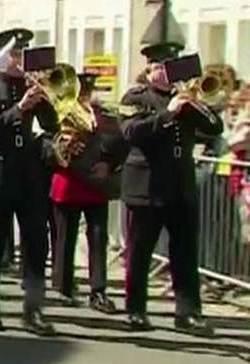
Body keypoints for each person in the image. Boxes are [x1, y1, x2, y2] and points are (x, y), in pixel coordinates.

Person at [119, 40, 221, 336]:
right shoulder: (135, 97)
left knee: (185, 253)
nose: (166, 73)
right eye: (161, 67)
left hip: (180, 185)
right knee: (140, 252)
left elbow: (215, 127)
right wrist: (168, 113)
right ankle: (136, 310)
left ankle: (188, 313)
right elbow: (131, 132)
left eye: (170, 67)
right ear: (149, 70)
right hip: (147, 186)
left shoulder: (185, 97)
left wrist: (195, 103)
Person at [0, 28, 58, 335]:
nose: (20, 61)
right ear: (2, 56)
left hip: (30, 174)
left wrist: (47, 101)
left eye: (24, 54)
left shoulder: (34, 86)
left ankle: (33, 310)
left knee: (36, 243)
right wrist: (20, 109)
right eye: (15, 54)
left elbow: (51, 125)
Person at [49, 72, 126, 312]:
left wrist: (108, 164)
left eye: (87, 92)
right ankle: (63, 286)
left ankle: (98, 290)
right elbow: (50, 145)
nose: (84, 97)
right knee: (65, 237)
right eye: (80, 92)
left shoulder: (102, 116)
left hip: (95, 185)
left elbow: (120, 143)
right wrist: (62, 147)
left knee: (98, 238)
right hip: (69, 183)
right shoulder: (58, 114)